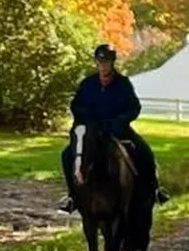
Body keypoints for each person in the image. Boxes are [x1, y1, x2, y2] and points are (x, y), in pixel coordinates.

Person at [60, 45, 167, 213]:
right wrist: (87, 118)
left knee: (144, 151)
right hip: (92, 131)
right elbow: (76, 105)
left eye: (106, 62)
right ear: (96, 63)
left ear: (112, 63)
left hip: (117, 130)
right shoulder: (88, 84)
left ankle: (154, 190)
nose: (103, 66)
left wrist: (119, 121)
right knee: (67, 155)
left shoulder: (123, 84)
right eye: (100, 62)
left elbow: (134, 107)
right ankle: (72, 196)